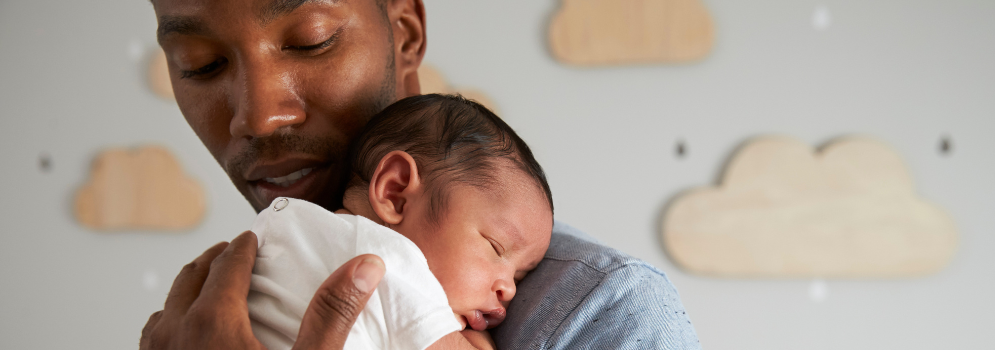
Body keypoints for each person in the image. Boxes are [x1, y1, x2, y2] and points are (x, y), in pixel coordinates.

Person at [140, 0, 702, 349]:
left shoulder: (603, 314)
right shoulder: (206, 312)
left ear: (405, 33)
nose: (258, 116)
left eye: (310, 40)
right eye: (201, 64)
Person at [248, 94, 553, 350]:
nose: (509, 290)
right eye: (495, 246)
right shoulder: (388, 260)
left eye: (520, 276)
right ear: (396, 193)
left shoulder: (291, 231)